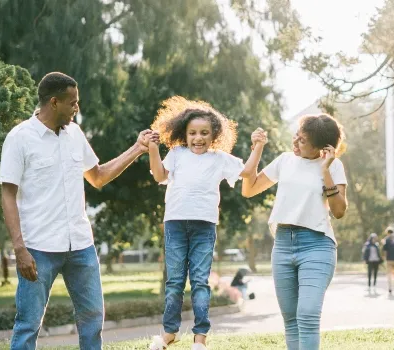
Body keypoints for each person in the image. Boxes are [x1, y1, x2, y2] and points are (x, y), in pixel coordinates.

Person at [0, 72, 157, 350]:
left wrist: (137, 149)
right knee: (28, 324)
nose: (77, 108)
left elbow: (97, 176)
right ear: (54, 102)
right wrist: (19, 248)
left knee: (93, 318)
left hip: (80, 245)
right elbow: (8, 195)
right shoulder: (20, 138)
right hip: (38, 247)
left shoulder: (75, 134)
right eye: (73, 103)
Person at [146, 96, 267, 350]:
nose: (198, 138)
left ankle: (200, 338)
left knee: (200, 281)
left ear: (214, 135)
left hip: (204, 226)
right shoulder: (177, 153)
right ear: (184, 134)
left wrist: (257, 147)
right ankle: (169, 333)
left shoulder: (219, 158)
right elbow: (159, 175)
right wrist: (153, 149)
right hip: (175, 225)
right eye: (192, 133)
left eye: (204, 133)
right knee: (175, 282)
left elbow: (246, 172)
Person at [242, 114, 348, 350]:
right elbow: (249, 189)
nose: (295, 142)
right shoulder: (285, 160)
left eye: (302, 140)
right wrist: (257, 149)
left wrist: (326, 170)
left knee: (308, 313)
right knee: (290, 320)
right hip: (282, 244)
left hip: (317, 245)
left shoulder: (334, 166)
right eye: (297, 136)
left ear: (322, 148)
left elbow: (339, 211)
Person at [382, 227, 394, 295]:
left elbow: (385, 250)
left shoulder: (386, 239)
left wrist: (384, 258)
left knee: (389, 274)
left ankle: (390, 287)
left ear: (387, 233)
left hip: (389, 259)